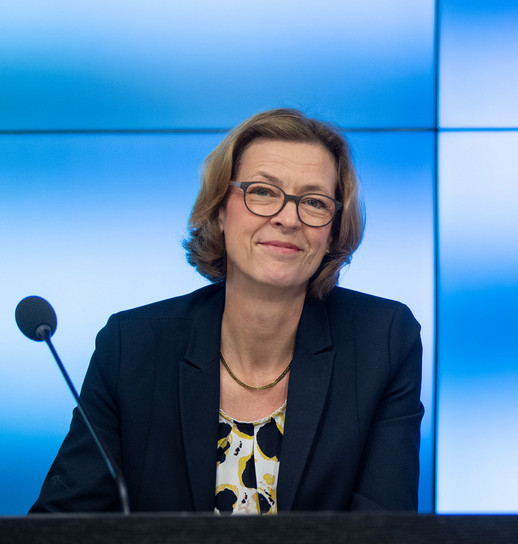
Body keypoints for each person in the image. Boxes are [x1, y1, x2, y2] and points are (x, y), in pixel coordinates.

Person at [31, 109, 423, 514]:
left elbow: (383, 529)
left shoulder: (384, 342)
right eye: (263, 192)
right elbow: (61, 523)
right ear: (220, 209)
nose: (288, 219)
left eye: (313, 201)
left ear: (333, 230)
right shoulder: (132, 346)